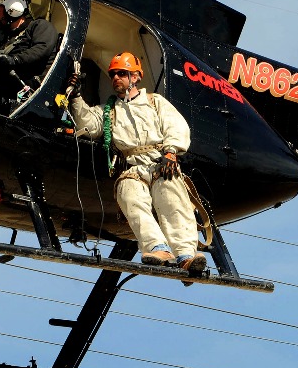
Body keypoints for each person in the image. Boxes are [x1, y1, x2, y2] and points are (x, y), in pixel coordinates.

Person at [68, 52, 207, 273]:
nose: (116, 78)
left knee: (172, 199)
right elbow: (89, 125)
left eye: (122, 73)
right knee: (128, 192)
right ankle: (157, 247)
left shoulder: (154, 101)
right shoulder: (109, 110)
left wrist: (171, 152)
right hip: (133, 168)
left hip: (161, 163)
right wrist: (75, 96)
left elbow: (175, 125)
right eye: (113, 74)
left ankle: (186, 255)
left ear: (136, 77)